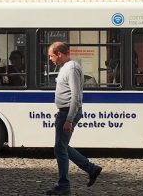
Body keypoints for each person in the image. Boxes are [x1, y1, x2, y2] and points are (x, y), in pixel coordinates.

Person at [46, 41, 102, 195]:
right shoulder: (65, 68)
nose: (50, 59)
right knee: (61, 147)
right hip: (64, 112)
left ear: (59, 54)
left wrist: (69, 119)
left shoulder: (71, 68)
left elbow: (76, 97)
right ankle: (91, 169)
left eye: (51, 56)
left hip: (67, 113)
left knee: (60, 148)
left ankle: (64, 186)